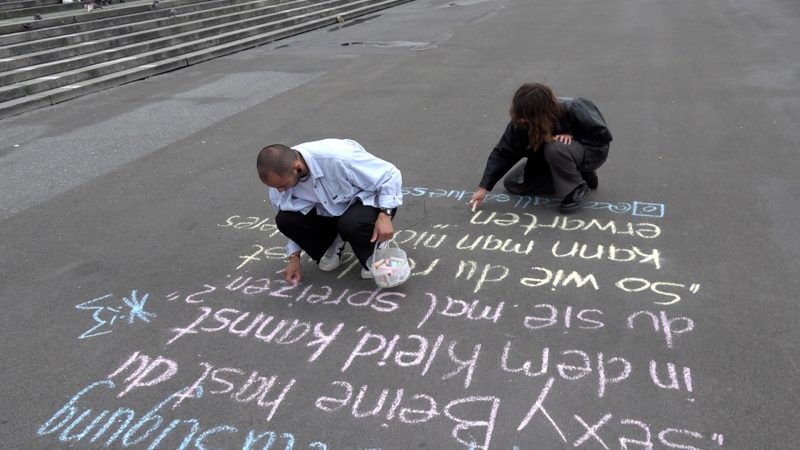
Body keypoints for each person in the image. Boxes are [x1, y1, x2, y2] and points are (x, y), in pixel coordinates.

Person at [257, 138, 403, 284]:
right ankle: (334, 241)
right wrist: (294, 257)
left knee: (352, 226)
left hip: (364, 201)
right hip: (329, 209)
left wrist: (385, 215)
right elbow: (290, 218)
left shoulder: (339, 157)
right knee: (284, 220)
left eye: (283, 185)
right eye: (275, 187)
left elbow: (390, 175)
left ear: (298, 168)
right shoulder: (279, 182)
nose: (280, 190)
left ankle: (377, 249)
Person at [469, 83, 612, 214]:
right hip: (550, 156)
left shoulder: (573, 108)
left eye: (526, 116)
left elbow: (602, 137)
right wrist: (483, 188)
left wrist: (572, 135)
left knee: (556, 148)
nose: (522, 119)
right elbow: (504, 152)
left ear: (540, 113)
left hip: (587, 152)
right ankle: (578, 174)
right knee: (513, 183)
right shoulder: (520, 123)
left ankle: (575, 189)